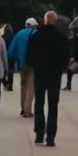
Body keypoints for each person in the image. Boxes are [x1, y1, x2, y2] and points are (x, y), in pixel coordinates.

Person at [26, 11, 69, 146]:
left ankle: (39, 133)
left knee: (39, 103)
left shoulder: (36, 36)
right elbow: (66, 56)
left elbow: (29, 56)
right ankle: (50, 136)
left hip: (40, 73)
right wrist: (61, 68)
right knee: (53, 105)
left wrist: (34, 65)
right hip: (55, 75)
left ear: (45, 20)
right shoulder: (61, 37)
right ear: (55, 21)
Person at [7, 18, 37, 117]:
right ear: (33, 25)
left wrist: (14, 60)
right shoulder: (36, 33)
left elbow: (11, 50)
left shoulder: (19, 34)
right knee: (31, 87)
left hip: (22, 64)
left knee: (23, 85)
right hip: (33, 64)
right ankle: (28, 110)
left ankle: (23, 108)